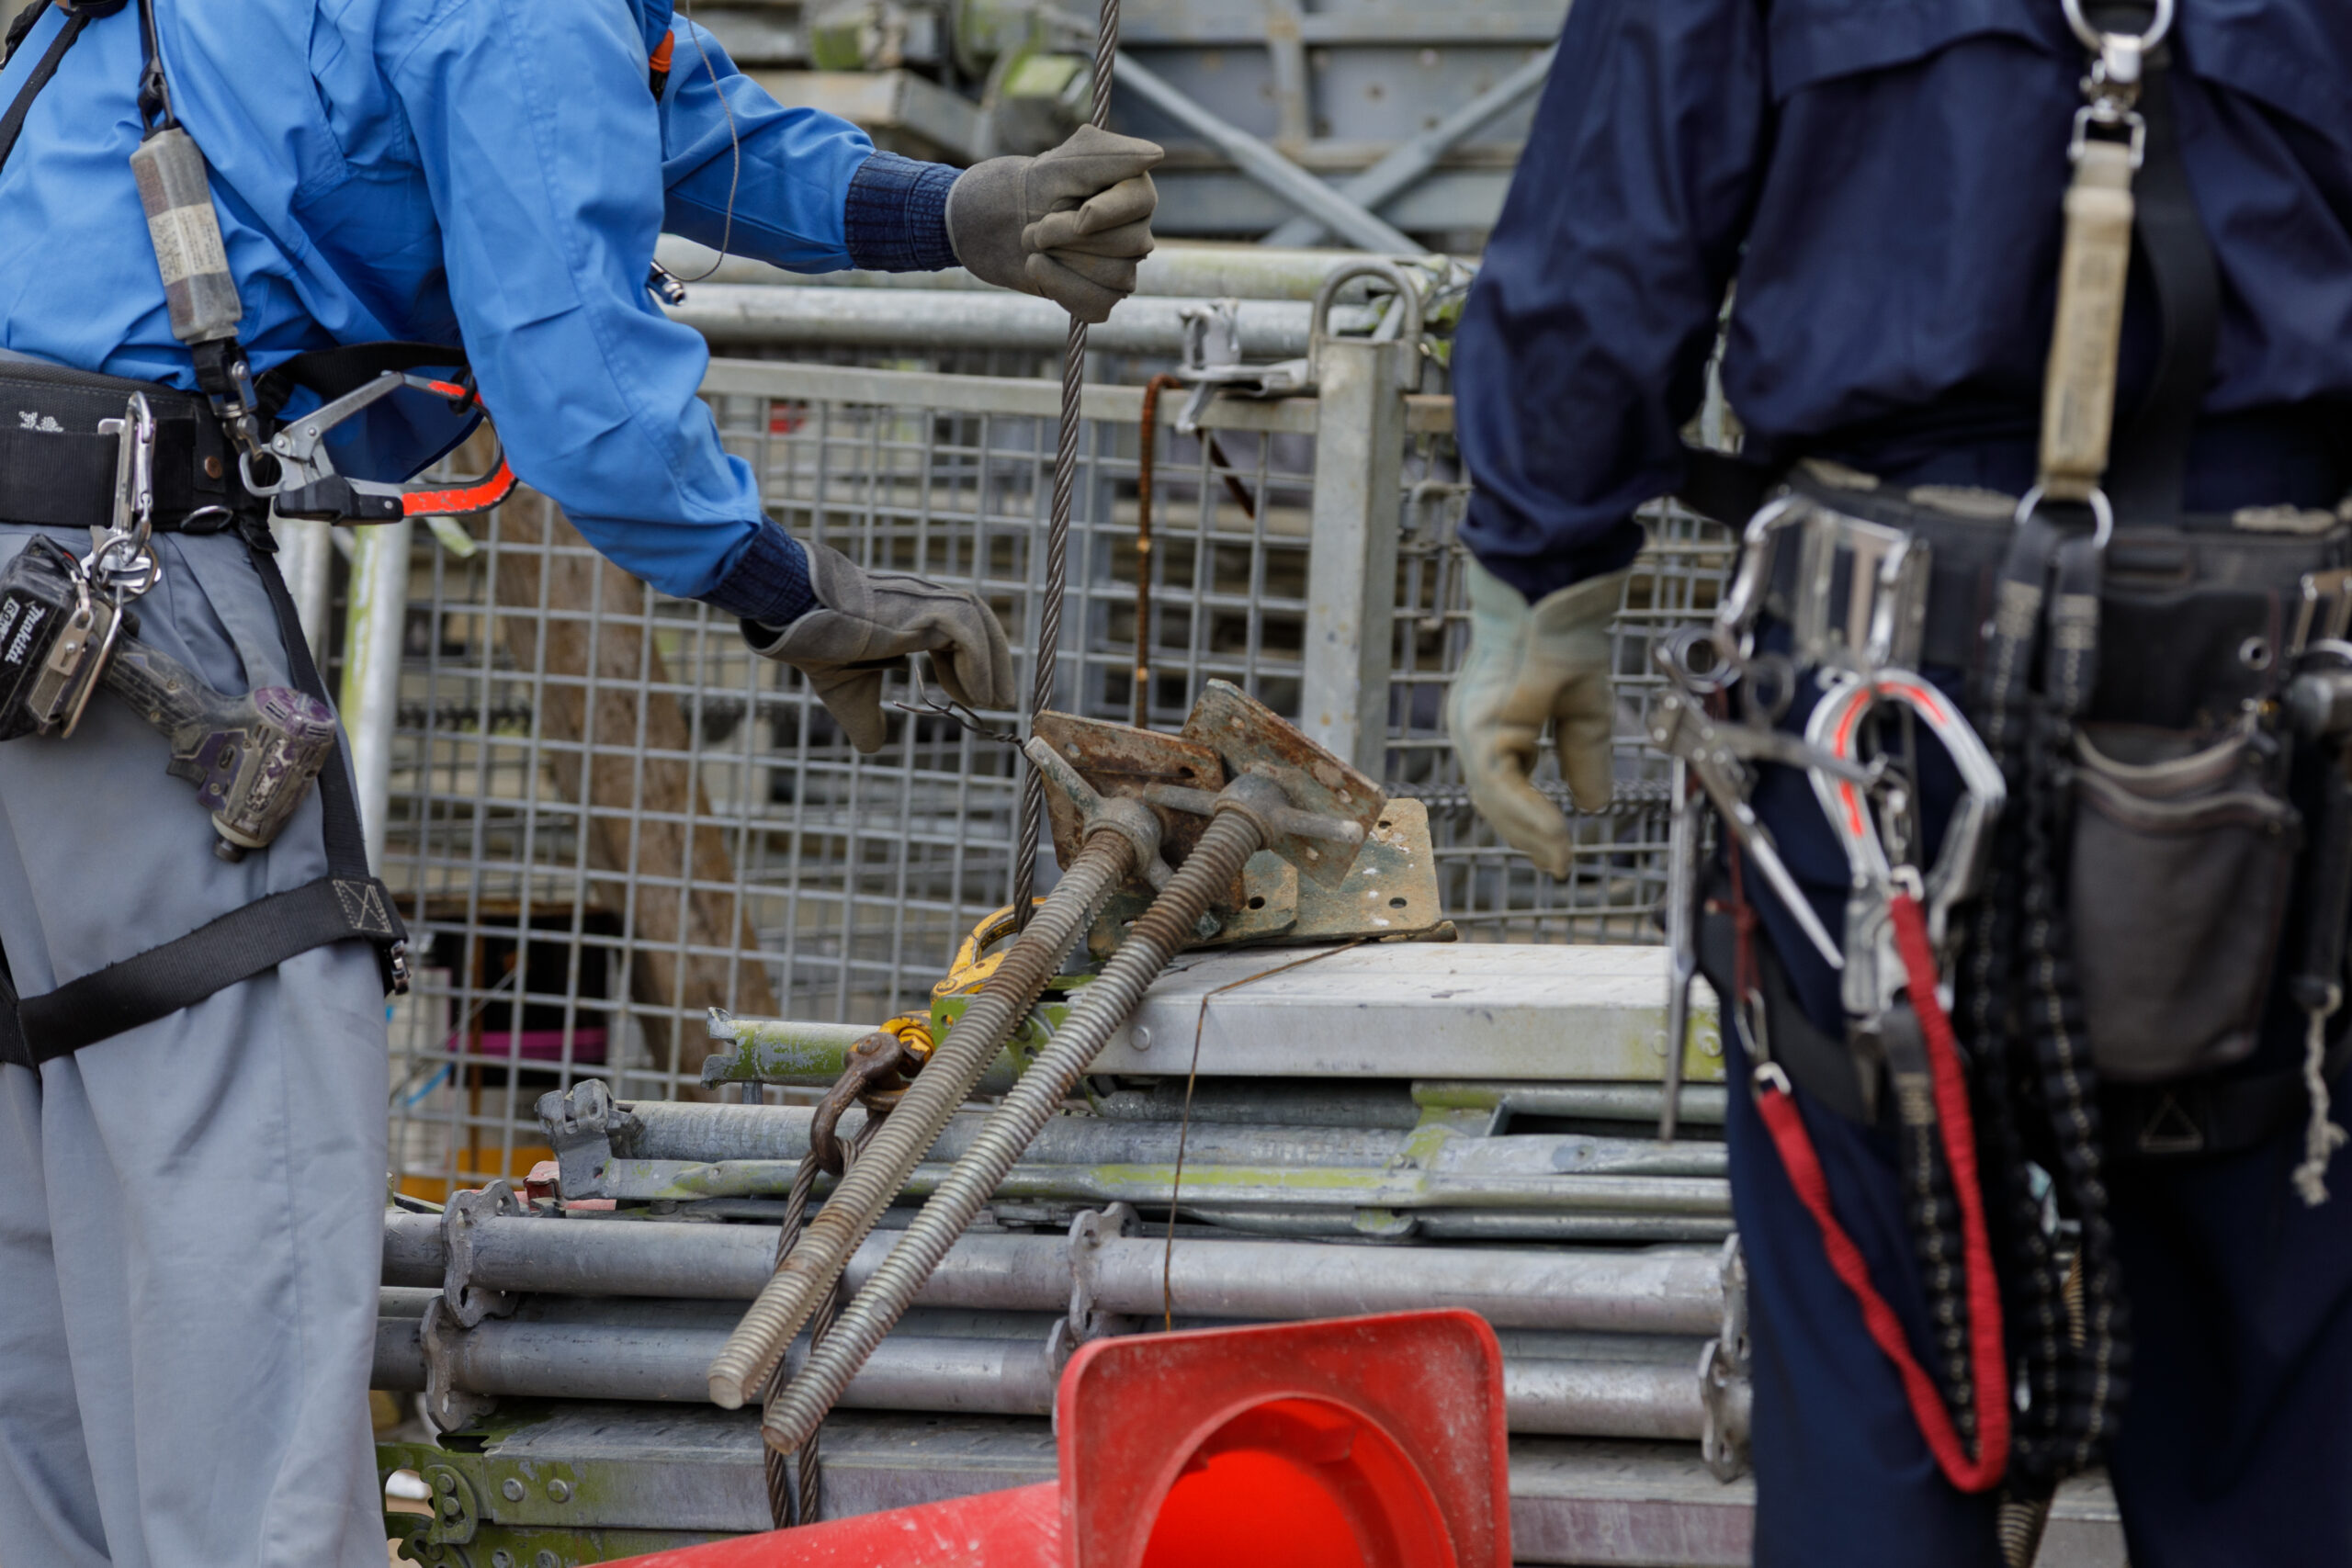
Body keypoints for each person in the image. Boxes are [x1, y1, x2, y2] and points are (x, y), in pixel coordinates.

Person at [0, 0, 1159, 1562]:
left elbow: (657, 124)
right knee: (241, 1193)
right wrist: (782, 582)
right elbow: (588, 406)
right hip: (127, 582)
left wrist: (941, 214)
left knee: (50, 1231)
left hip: (43, 579)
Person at [1447, 1, 2352, 1564]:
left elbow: (1617, 217)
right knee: (2284, 1404)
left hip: (1872, 724)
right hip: (2277, 707)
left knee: (1877, 1381)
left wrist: (1545, 576)